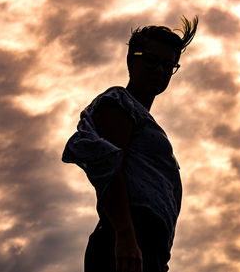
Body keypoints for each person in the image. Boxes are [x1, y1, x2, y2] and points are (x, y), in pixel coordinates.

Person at [62, 16, 198, 272]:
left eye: (168, 65)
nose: (159, 70)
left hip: (148, 246)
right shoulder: (118, 101)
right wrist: (125, 235)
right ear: (131, 59)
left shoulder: (147, 123)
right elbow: (107, 164)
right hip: (126, 239)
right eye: (151, 60)